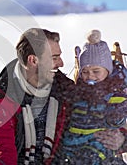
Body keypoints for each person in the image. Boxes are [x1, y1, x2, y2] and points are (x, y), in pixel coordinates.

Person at [0, 28, 75, 164]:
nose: (61, 63)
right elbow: (1, 151)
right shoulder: (0, 101)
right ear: (33, 60)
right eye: (54, 58)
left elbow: (95, 116)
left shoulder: (65, 91)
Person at [52, 30, 127, 164]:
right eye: (85, 72)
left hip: (99, 142)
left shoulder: (116, 92)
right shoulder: (78, 90)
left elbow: (117, 120)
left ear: (107, 71)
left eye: (96, 71)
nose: (90, 76)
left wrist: (117, 113)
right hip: (73, 141)